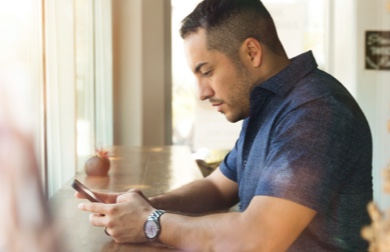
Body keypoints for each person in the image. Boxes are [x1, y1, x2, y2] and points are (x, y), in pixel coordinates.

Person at [77, 0, 373, 251]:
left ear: (251, 52)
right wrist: (140, 207)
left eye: (207, 72)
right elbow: (217, 188)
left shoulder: (316, 110)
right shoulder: (267, 103)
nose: (202, 93)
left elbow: (257, 238)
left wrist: (149, 222)